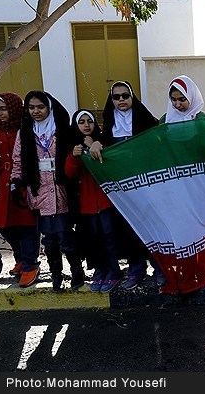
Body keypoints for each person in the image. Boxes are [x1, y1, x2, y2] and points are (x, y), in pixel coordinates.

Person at [88, 81, 165, 290]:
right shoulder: (110, 124)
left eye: (125, 95)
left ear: (132, 97)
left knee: (151, 227)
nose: (121, 100)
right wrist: (96, 143)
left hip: (146, 187)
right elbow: (101, 143)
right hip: (123, 189)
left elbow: (158, 144)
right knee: (128, 229)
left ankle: (159, 268)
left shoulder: (147, 121)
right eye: (116, 97)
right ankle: (136, 269)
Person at [11, 90, 84, 292]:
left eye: (40, 107)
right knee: (49, 240)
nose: (36, 111)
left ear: (49, 108)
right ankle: (56, 275)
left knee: (65, 236)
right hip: (39, 191)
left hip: (61, 190)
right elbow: (18, 160)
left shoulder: (61, 130)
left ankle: (77, 272)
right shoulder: (25, 132)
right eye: (31, 107)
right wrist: (16, 184)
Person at [65, 110, 123, 293]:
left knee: (110, 238)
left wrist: (93, 145)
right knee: (94, 239)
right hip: (87, 205)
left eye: (89, 121)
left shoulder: (102, 141)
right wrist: (74, 157)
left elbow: (107, 165)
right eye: (81, 122)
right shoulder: (73, 146)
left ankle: (114, 271)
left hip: (105, 202)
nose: (86, 125)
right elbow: (70, 173)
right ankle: (100, 270)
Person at [0, 92, 40, 288]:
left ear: (14, 108)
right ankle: (20, 258)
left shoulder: (26, 130)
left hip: (23, 182)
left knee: (27, 225)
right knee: (5, 226)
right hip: (3, 185)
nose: (0, 113)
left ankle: (31, 264)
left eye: (3, 109)